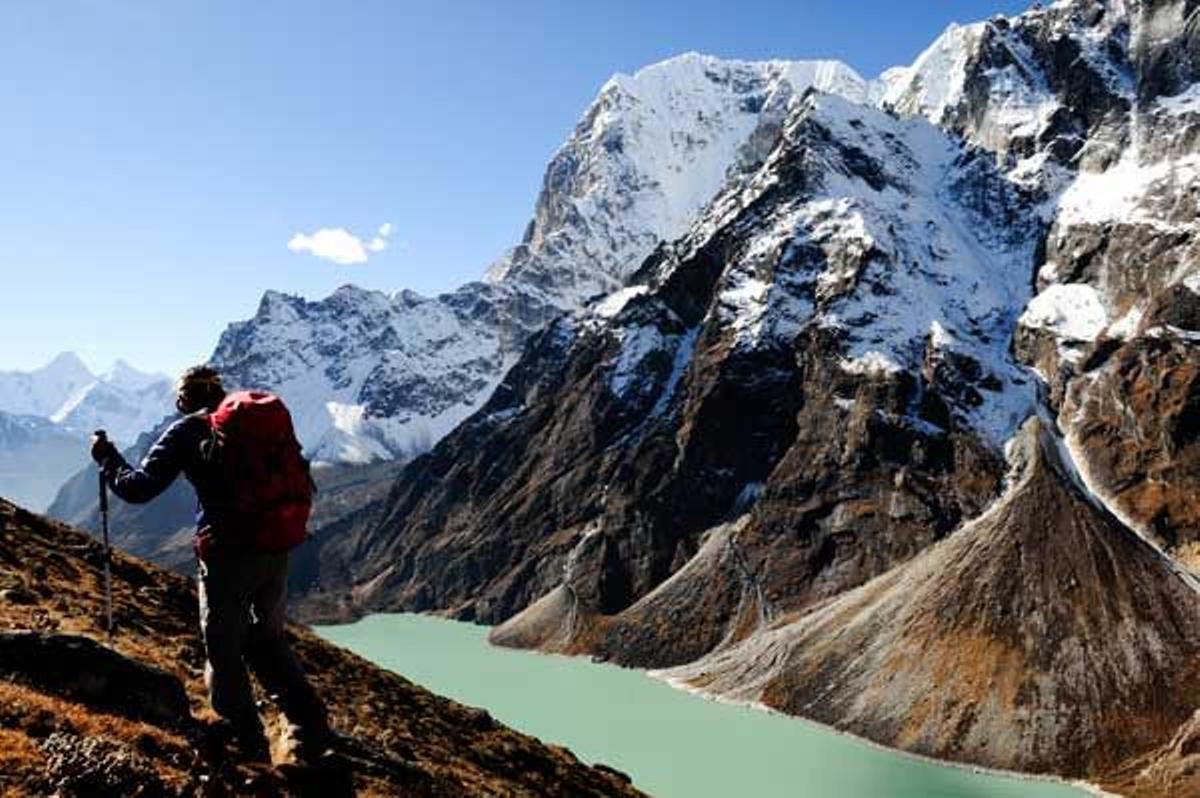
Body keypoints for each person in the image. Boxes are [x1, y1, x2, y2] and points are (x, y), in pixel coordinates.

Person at [90, 365, 331, 766]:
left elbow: (137, 488)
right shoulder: (257, 425)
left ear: (183, 398)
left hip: (227, 556)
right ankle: (311, 730)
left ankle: (246, 744)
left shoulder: (187, 430)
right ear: (219, 393)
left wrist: (106, 457)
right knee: (269, 640)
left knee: (224, 650)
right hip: (277, 547)